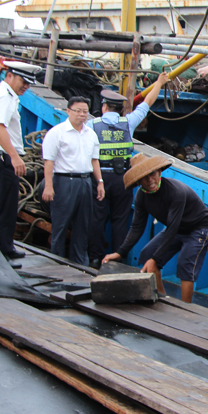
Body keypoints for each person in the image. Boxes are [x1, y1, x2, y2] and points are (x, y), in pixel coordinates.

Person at [102, 153, 208, 303]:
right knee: (147, 254)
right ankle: (163, 299)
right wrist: (120, 252)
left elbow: (172, 226)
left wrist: (156, 259)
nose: (150, 180)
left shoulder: (175, 191)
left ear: (159, 172)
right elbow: (137, 227)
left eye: (152, 174)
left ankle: (186, 309)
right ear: (138, 181)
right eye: (144, 177)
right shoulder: (141, 197)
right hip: (176, 228)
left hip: (199, 228)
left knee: (185, 265)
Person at [88, 72, 171, 268]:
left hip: (100, 178)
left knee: (98, 218)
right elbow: (147, 103)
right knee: (120, 220)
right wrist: (159, 83)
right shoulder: (128, 122)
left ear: (104, 107)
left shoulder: (92, 124)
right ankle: (117, 258)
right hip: (123, 180)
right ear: (120, 108)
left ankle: (94, 258)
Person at [0, 61, 41, 266]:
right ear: (9, 76)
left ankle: (5, 247)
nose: (26, 86)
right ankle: (1, 253)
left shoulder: (6, 96)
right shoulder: (3, 96)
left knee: (7, 203)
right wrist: (14, 156)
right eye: (23, 81)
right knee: (5, 204)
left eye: (28, 84)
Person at [41, 97, 105, 265]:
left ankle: (79, 264)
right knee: (60, 226)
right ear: (68, 111)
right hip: (64, 182)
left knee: (82, 226)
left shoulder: (90, 134)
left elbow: (94, 160)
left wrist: (99, 182)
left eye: (85, 111)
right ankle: (56, 263)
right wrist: (48, 186)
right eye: (78, 111)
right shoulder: (57, 133)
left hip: (85, 182)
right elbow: (49, 161)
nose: (82, 115)